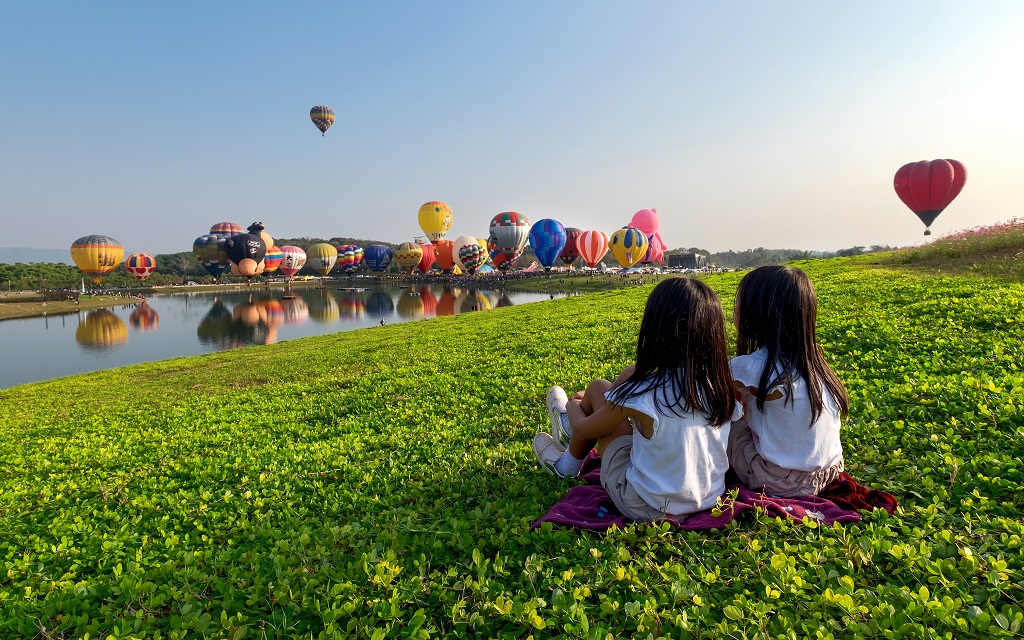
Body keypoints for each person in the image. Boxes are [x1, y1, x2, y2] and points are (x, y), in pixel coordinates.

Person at [533, 277, 740, 522]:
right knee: (602, 389)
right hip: (708, 499)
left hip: (644, 505)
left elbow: (585, 428)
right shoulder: (720, 384)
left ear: (655, 329)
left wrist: (573, 405)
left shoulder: (644, 386)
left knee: (598, 393)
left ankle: (566, 458)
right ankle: (567, 434)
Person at [728, 266, 849, 497]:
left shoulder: (749, 366)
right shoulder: (815, 362)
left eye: (737, 304)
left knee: (724, 423)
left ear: (756, 314)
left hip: (779, 480)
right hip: (830, 472)